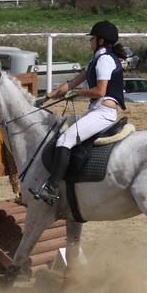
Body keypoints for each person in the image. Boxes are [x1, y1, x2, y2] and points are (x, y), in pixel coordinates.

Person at [31, 20, 127, 204]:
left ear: (100, 41)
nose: (90, 41)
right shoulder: (95, 60)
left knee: (64, 140)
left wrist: (78, 93)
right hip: (96, 110)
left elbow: (100, 91)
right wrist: (47, 97)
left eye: (92, 38)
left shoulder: (105, 60)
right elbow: (72, 83)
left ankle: (51, 188)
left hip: (103, 112)